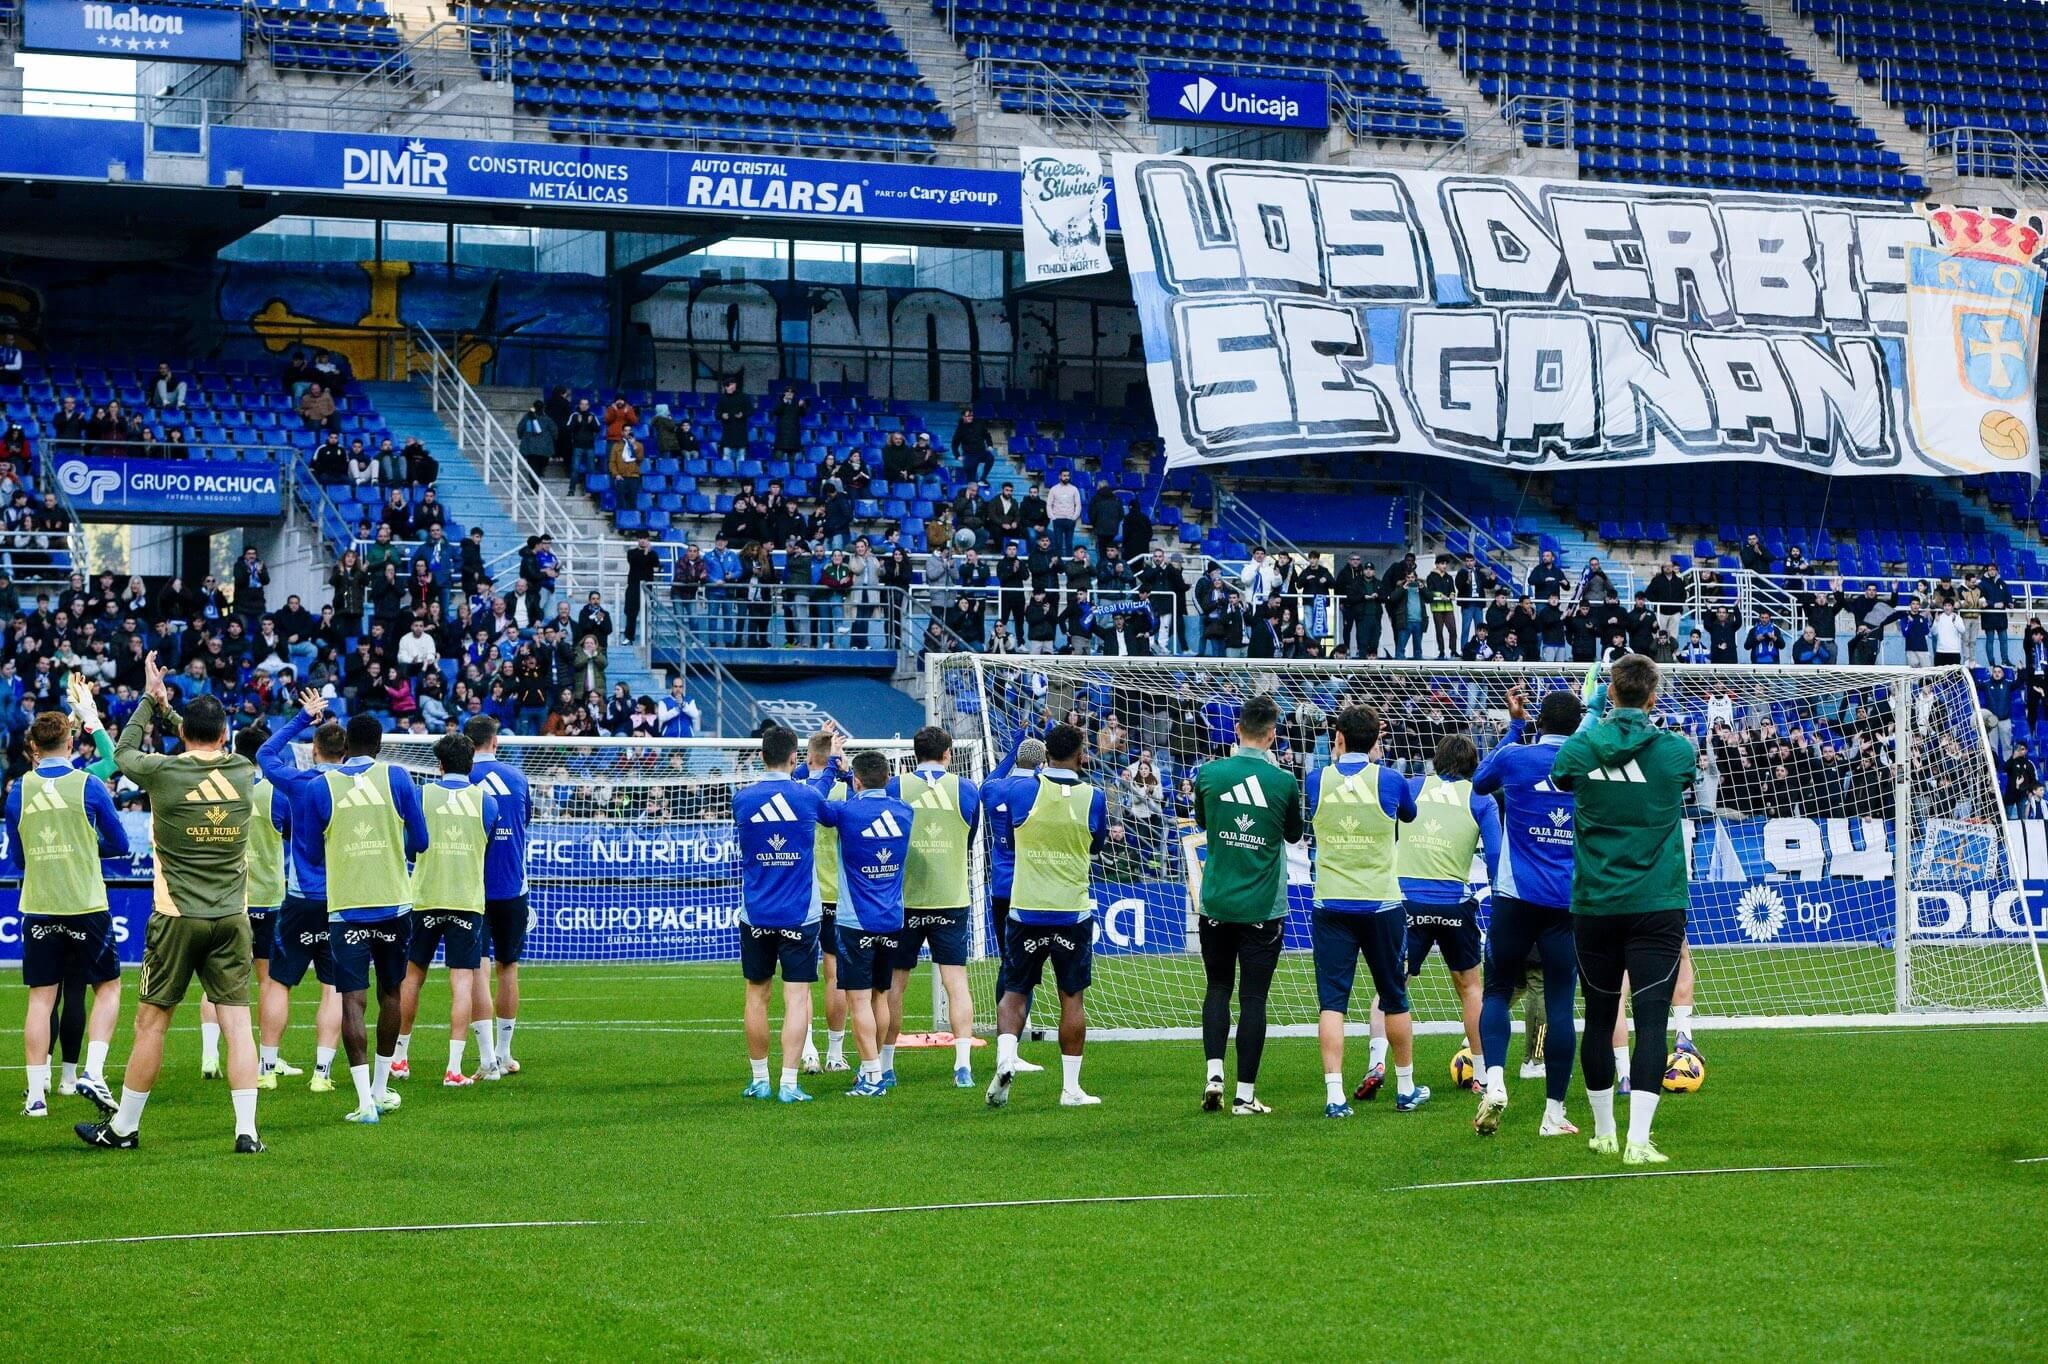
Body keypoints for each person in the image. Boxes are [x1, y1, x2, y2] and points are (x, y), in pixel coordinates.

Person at [80, 655, 265, 1153]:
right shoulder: (244, 771)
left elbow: (120, 753)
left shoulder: (163, 772)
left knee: (151, 1023)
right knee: (237, 1026)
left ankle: (123, 1128)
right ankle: (246, 1131)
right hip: (232, 916)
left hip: (177, 916)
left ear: (187, 737)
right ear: (225, 734)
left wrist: (149, 700)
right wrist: (173, 713)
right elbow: (205, 741)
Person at [1550, 655, 1697, 1164]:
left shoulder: (1585, 744)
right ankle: (1638, 1139)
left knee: (1598, 1016)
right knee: (1652, 1019)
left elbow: (1561, 770)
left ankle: (1604, 1131)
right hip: (1656, 901)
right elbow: (1680, 771)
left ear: (1608, 693)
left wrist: (1593, 715)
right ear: (1654, 697)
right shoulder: (1678, 751)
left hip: (1596, 901)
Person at [1471, 685, 1585, 1138]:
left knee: (1497, 989)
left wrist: (1514, 725)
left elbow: (1480, 781)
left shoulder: (1515, 758)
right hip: (1565, 902)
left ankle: (1495, 1081)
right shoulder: (1587, 766)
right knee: (1560, 1003)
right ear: (1577, 727)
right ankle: (1553, 1114)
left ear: (1539, 722)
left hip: (1514, 898)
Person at [305, 712, 429, 1124]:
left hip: (345, 907)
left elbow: (306, 850)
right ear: (378, 746)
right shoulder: (397, 778)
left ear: (344, 747)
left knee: (352, 999)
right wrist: (398, 848)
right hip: (393, 903)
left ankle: (364, 1102)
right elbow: (422, 841)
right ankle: (380, 1087)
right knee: (391, 993)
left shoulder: (321, 786)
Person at [7, 707, 129, 1119]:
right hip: (85, 903)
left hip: (39, 904)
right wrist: (84, 847)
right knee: (107, 987)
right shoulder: (89, 785)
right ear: (71, 743)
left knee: (41, 1000)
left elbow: (19, 855)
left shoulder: (17, 790)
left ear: (34, 749)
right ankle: (91, 1071)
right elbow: (120, 843)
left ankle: (35, 1096)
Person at [1304, 705, 1422, 1117]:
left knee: (1332, 1003)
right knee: (1394, 995)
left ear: (1337, 737)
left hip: (1332, 901)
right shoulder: (1389, 779)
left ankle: (1334, 1096)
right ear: (1377, 739)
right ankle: (1405, 1088)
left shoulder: (1316, 779)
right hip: (1380, 902)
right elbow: (1409, 814)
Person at [984, 722, 1107, 1109]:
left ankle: (1006, 1057)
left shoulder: (1020, 790)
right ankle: (1070, 1088)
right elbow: (1098, 844)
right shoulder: (1094, 797)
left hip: (1026, 910)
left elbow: (989, 790)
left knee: (1015, 989)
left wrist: (1016, 752)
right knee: (1072, 998)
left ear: (1046, 754)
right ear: (1081, 755)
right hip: (1071, 910)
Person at [1191, 695, 1304, 1115]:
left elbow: (1203, 822)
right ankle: (1244, 1095)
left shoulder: (1211, 773)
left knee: (1217, 987)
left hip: (1217, 903)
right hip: (1262, 908)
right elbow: (1293, 835)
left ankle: (1214, 1074)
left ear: (1237, 730)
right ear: (1272, 735)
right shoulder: (1283, 782)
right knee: (1253, 999)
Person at [733, 724, 840, 1103]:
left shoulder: (742, 799)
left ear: (761, 756)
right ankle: (790, 1084)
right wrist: (832, 765)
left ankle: (759, 1079)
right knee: (796, 997)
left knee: (756, 996)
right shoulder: (805, 797)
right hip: (800, 914)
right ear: (794, 757)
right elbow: (826, 809)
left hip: (757, 914)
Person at [396, 733, 506, 1088]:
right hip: (466, 900)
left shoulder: (421, 794)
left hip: (426, 896)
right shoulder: (486, 802)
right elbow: (485, 845)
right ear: (471, 765)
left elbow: (411, 847)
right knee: (462, 982)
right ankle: (453, 1068)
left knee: (412, 977)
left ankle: (399, 1058)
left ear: (439, 765)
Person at [256, 690, 350, 1093]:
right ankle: (322, 1074)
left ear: (313, 751)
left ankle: (267, 1067)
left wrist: (300, 719)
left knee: (279, 981)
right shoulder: (359, 786)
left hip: (299, 897)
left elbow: (263, 755)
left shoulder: (296, 782)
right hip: (343, 900)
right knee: (333, 986)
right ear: (345, 754)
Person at [1396, 734, 1499, 1095]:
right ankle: (1483, 1075)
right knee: (1471, 988)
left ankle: (1382, 1066)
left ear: (1436, 760)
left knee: (1393, 986)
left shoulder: (1410, 786)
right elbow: (1496, 859)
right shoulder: (1480, 798)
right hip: (1454, 902)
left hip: (1408, 900)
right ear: (1472, 768)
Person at [813, 743, 912, 1097]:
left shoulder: (846, 812)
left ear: (855, 782)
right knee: (880, 998)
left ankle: (871, 1077)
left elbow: (812, 801)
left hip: (856, 921)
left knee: (858, 1002)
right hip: (892, 919)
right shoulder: (904, 811)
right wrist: (853, 774)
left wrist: (831, 772)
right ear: (886, 778)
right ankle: (881, 1068)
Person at [466, 715, 531, 1076]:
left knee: (478, 970)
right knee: (509, 968)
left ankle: (487, 1058)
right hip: (511, 887)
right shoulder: (517, 777)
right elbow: (526, 820)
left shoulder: (461, 780)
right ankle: (505, 1054)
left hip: (472, 888)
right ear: (496, 741)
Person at [800, 730, 849, 1073]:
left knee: (799, 980)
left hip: (802, 895)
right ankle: (835, 1054)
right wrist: (843, 768)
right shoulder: (848, 791)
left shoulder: (796, 791)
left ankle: (807, 1051)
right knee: (835, 976)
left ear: (805, 759)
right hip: (838, 895)